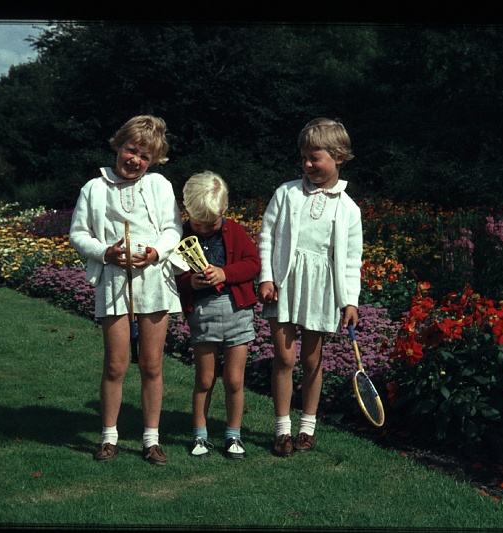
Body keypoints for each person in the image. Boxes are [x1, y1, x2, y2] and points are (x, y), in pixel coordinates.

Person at [69, 115, 186, 466]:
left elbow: (172, 229)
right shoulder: (94, 188)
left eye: (144, 156)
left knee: (152, 365)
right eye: (131, 150)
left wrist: (155, 252)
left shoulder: (160, 186)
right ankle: (109, 438)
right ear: (118, 146)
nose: (135, 160)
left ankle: (151, 440)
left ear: (154, 161)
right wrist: (104, 252)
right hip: (114, 282)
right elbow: (78, 234)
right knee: (116, 365)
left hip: (154, 282)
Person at [256, 118, 363, 457]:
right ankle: (282, 430)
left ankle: (307, 426)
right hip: (285, 283)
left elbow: (350, 261)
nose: (307, 164)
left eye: (315, 157)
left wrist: (350, 301)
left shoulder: (349, 209)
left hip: (322, 288)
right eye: (303, 157)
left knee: (312, 358)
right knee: (285, 357)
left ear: (339, 157)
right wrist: (266, 277)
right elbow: (266, 238)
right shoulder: (285, 193)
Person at [175, 171, 261, 459]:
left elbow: (253, 264)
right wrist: (191, 283)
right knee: (204, 379)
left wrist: (225, 272)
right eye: (197, 222)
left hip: (237, 312)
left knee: (235, 380)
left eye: (210, 222)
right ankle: (200, 436)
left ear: (224, 211)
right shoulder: (182, 235)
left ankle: (233, 435)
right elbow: (173, 276)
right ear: (187, 212)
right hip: (204, 314)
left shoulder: (235, 231)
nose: (203, 228)